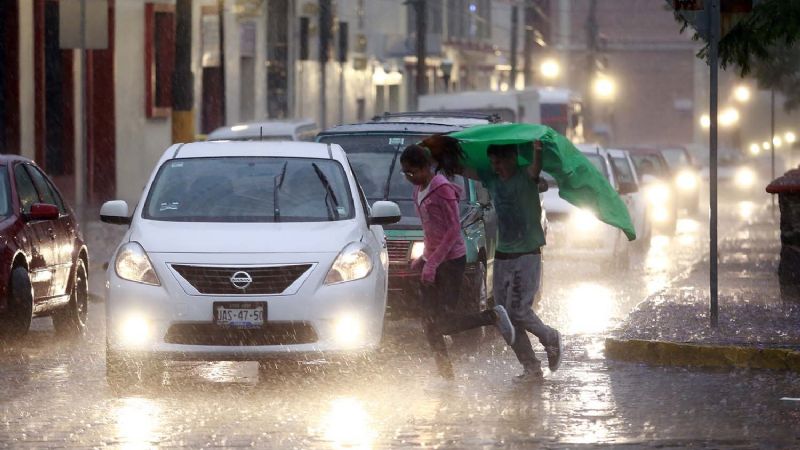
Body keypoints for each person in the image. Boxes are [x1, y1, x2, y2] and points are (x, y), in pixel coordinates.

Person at [400, 144, 517, 380]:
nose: (410, 177)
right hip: (433, 258)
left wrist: (433, 263)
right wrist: (424, 258)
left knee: (445, 321)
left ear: (427, 167)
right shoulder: (418, 190)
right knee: (429, 323)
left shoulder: (442, 189)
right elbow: (430, 228)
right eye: (406, 173)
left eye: (413, 172)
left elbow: (453, 230)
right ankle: (446, 376)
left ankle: (492, 316)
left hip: (452, 261)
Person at [459, 141, 563, 384]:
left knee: (519, 311)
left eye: (500, 162)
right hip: (503, 254)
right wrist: (447, 154)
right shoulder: (493, 180)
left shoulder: (526, 177)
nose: (497, 167)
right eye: (493, 163)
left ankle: (550, 337)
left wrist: (537, 150)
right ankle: (531, 366)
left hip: (527, 254)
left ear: (513, 160)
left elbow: (535, 169)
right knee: (503, 316)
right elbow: (466, 171)